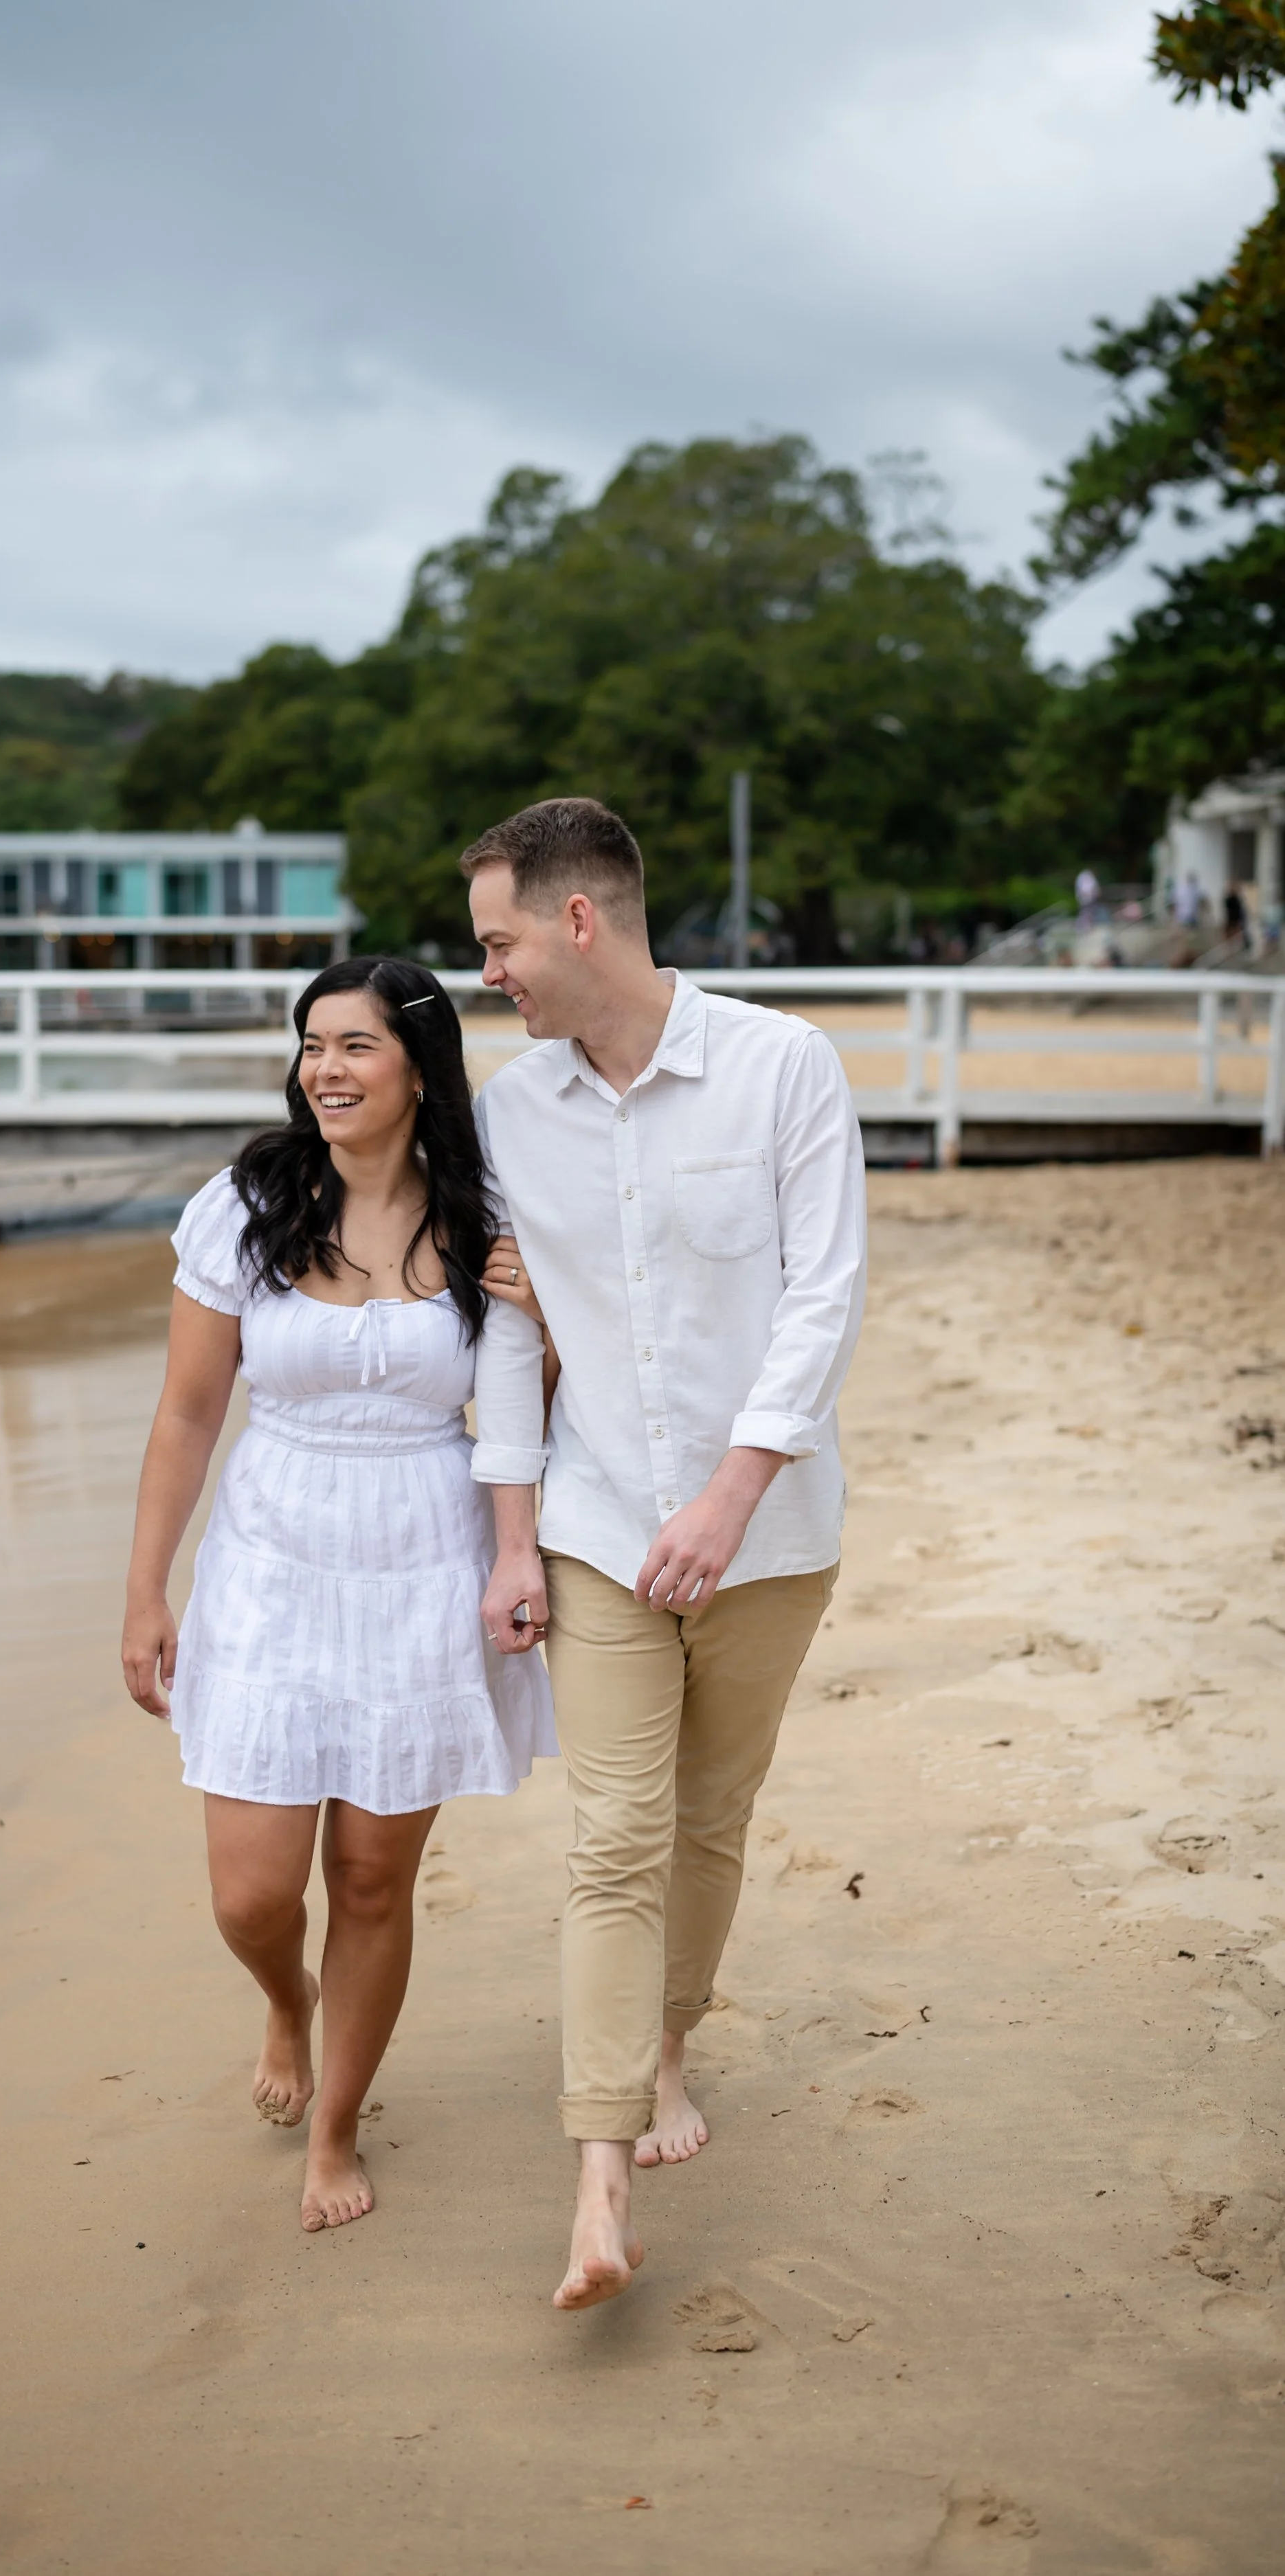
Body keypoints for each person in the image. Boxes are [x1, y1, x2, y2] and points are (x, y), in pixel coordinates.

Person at [463, 798, 867, 2311]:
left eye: (497, 939)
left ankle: (670, 2039)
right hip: (590, 1524)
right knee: (612, 1836)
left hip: (766, 1537)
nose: (486, 969)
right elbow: (511, 1329)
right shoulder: (514, 1109)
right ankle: (599, 2171)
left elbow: (820, 1300)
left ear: (578, 919)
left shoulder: (779, 1068)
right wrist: (512, 1536)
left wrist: (728, 1495)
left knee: (707, 1821)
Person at [120, 958, 554, 2235]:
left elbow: (540, 1402)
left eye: (355, 1044)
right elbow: (190, 1412)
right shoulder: (248, 1203)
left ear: (419, 1064)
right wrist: (147, 1588)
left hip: (427, 1552)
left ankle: (337, 2125)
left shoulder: (483, 1212)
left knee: (371, 1880)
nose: (325, 1069)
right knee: (254, 1895)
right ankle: (283, 1997)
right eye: (312, 1045)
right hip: (270, 1555)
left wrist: (556, 1317)